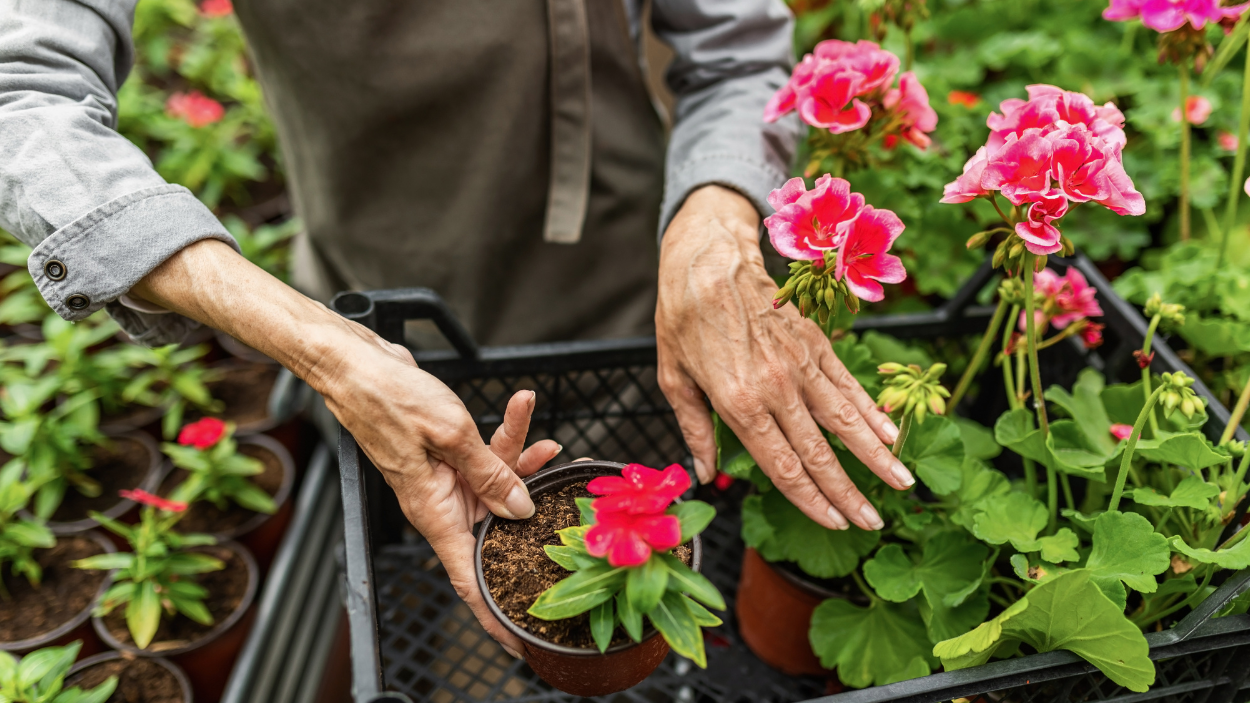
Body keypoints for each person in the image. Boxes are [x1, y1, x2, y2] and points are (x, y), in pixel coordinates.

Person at [0, 0, 911, 657]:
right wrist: (323, 349)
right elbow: (23, 93)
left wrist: (715, 220)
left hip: (633, 291)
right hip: (377, 327)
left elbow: (735, 47)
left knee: (624, 614)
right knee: (478, 602)